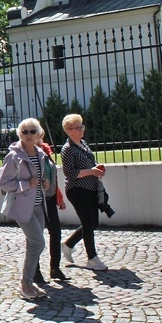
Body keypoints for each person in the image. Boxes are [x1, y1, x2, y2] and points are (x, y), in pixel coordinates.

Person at [0, 119, 50, 299]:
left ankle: (29, 282)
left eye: (32, 131)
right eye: (25, 131)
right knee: (38, 243)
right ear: (20, 134)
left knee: (32, 243)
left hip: (38, 205)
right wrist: (26, 184)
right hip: (21, 206)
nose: (28, 134)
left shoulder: (40, 153)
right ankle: (25, 283)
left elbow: (40, 177)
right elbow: (4, 183)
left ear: (38, 134)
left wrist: (44, 182)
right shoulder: (13, 156)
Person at [60, 114, 107, 271]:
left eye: (82, 126)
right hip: (77, 189)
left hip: (90, 187)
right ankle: (92, 258)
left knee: (93, 222)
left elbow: (89, 164)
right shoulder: (67, 150)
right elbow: (70, 173)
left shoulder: (83, 144)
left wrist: (96, 169)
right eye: (77, 128)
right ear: (68, 130)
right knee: (88, 222)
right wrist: (91, 171)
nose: (81, 130)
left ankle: (68, 244)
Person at [35, 133, 68, 282]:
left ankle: (55, 267)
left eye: (35, 132)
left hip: (49, 197)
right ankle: (34, 270)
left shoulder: (45, 151)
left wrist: (58, 194)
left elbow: (52, 175)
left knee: (55, 231)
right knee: (36, 236)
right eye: (28, 132)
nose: (34, 136)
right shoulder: (26, 153)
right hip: (35, 200)